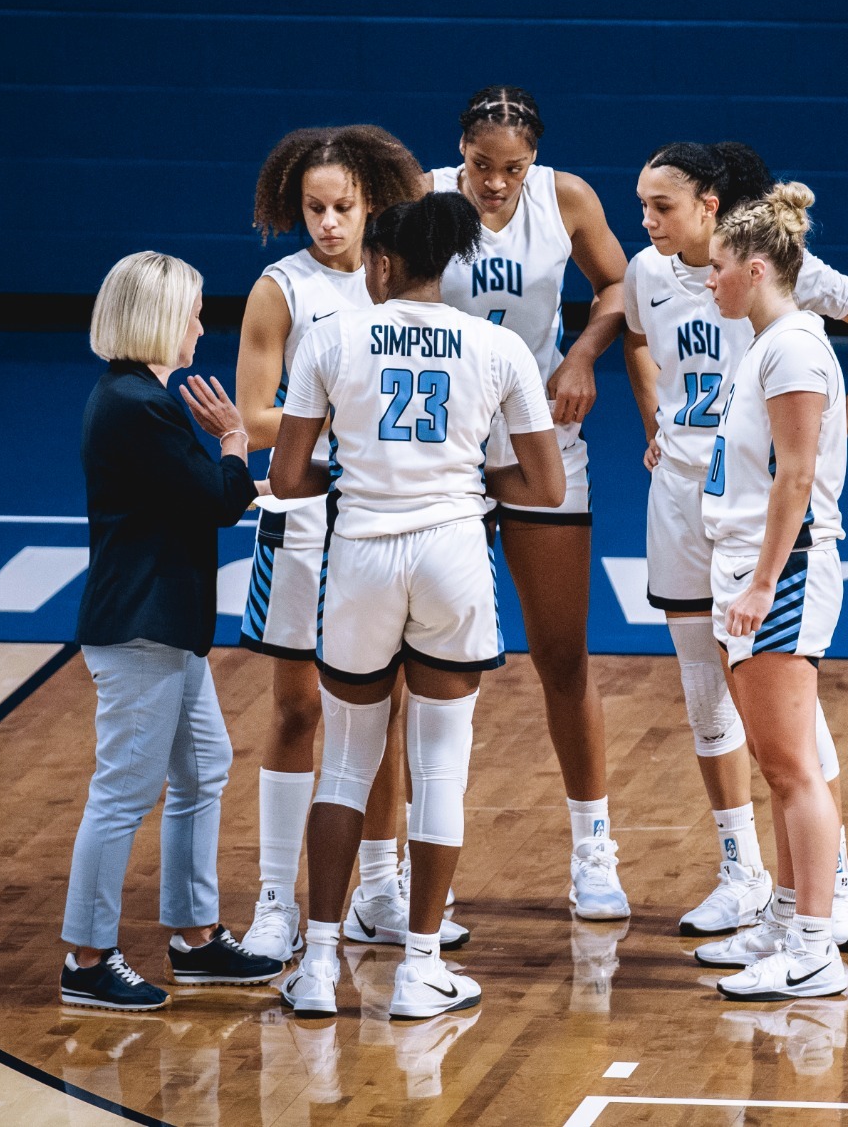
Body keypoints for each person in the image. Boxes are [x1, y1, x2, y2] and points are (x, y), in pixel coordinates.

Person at [268, 192, 565, 1019]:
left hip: (361, 555)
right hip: (453, 553)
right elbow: (546, 484)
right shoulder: (499, 346)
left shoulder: (331, 337)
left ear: (383, 263)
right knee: (441, 767)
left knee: (347, 764)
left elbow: (290, 478)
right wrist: (465, 479)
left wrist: (363, 474)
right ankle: (421, 966)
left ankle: (319, 964)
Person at [623, 142, 848, 949]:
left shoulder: (778, 284)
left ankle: (830, 893)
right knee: (713, 689)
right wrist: (655, 419)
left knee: (785, 710)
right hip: (694, 499)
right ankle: (747, 877)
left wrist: (827, 436)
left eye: (661, 205)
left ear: (712, 210)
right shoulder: (649, 276)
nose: (645, 221)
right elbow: (633, 339)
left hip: (768, 513)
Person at [233, 126, 469, 963]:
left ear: (374, 203)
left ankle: (378, 886)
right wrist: (350, 409)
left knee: (389, 709)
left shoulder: (401, 281)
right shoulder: (281, 290)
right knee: (298, 708)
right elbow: (256, 418)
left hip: (383, 513)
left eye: (342, 207)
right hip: (304, 513)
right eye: (313, 209)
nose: (328, 223)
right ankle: (273, 900)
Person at [425, 85, 634, 919]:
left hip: (542, 436)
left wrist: (583, 351)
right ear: (461, 152)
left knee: (562, 655)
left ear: (533, 160)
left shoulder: (567, 198)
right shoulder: (428, 194)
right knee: (433, 667)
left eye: (512, 167)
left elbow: (620, 285)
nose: (496, 183)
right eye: (482, 165)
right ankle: (402, 868)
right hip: (444, 448)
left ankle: (592, 846)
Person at [61, 251, 285, 1011]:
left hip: (162, 623)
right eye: (190, 311)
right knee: (124, 790)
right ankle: (86, 958)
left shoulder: (135, 397)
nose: (199, 324)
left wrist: (244, 481)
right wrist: (234, 443)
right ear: (158, 318)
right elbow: (212, 499)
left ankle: (195, 938)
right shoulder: (137, 404)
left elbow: (190, 497)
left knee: (203, 767)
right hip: (141, 624)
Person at [696, 182, 848, 1001]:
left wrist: (764, 581)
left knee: (793, 767)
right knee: (776, 762)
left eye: (720, 267)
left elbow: (796, 475)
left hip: (782, 571)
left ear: (757, 269)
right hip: (747, 566)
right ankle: (786, 918)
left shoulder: (794, 346)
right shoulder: (768, 343)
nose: (709, 280)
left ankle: (814, 947)